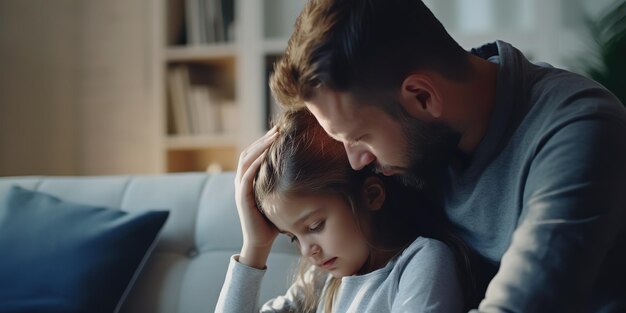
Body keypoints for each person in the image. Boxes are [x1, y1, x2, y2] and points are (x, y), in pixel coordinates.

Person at [268, 0, 626, 312]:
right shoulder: (413, 148)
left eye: (359, 138)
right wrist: (255, 244)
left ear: (423, 97)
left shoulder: (579, 129)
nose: (356, 161)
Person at [215, 109, 471, 312]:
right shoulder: (321, 280)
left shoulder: (423, 263)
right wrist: (255, 247)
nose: (306, 251)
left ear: (371, 195)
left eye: (315, 226)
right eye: (293, 237)